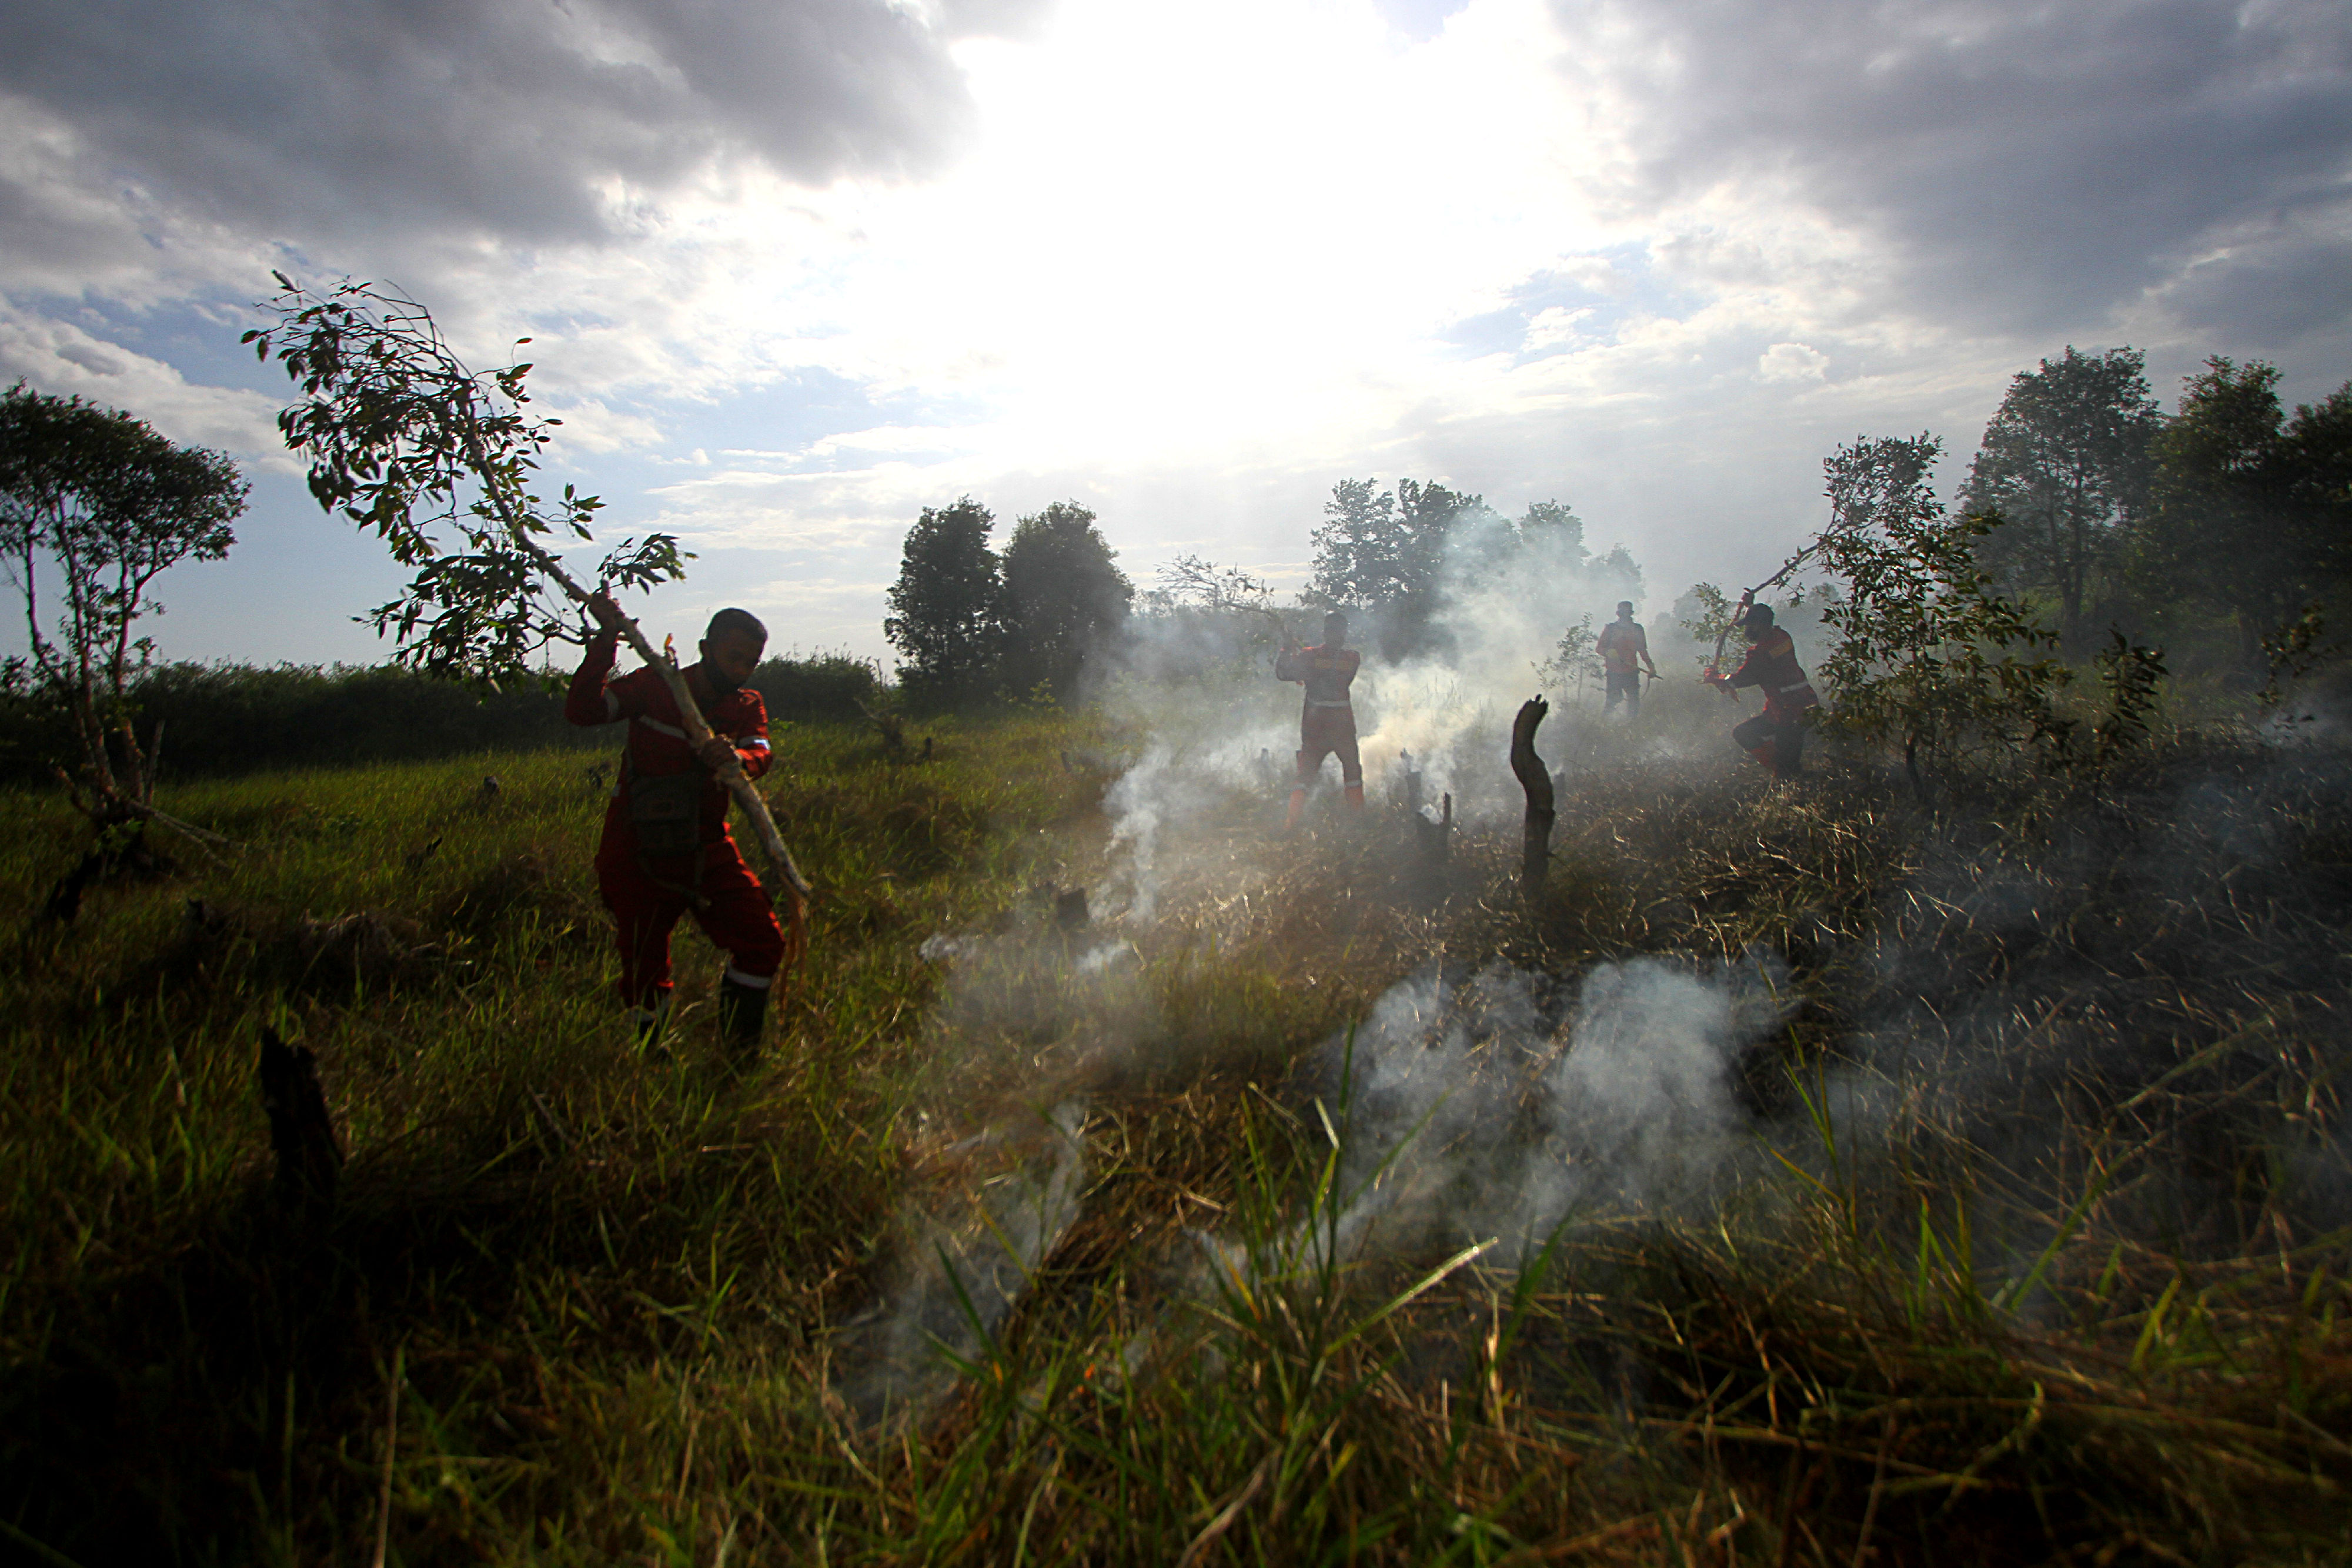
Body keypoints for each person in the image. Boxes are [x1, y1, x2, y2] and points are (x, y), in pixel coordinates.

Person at [567, 597, 790, 1051]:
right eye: (734, 657)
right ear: (706, 647)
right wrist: (607, 638)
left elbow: (761, 751)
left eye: (751, 662)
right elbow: (584, 711)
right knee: (645, 968)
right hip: (637, 850)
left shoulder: (748, 704)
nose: (742, 669)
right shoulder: (656, 686)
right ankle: (650, 1061)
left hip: (707, 847)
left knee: (762, 940)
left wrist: (738, 758)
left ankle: (737, 1055)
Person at [1705, 601, 1819, 777]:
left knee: (1788, 771)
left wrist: (1715, 678)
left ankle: (1785, 773)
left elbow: (1739, 680)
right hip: (1798, 706)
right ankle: (1781, 767)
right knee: (1745, 733)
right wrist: (1751, 605)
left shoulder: (1761, 654)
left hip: (1789, 713)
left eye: (1749, 625)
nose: (1747, 630)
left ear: (1758, 625)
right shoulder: (1782, 637)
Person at [1275, 609, 1364, 830]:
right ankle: (1360, 822)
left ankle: (1291, 825)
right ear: (1344, 633)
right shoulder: (1352, 658)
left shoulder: (1310, 656)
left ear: (1325, 633)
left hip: (1315, 727)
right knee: (1353, 773)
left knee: (1305, 776)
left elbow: (1284, 673)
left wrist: (1287, 647)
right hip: (1342, 727)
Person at [1596, 600, 1657, 718]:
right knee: (1612, 701)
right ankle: (1604, 725)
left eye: (1627, 612)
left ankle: (1631, 727)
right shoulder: (1610, 629)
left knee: (1634, 703)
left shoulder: (1637, 629)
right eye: (1622, 612)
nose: (1624, 615)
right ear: (1618, 614)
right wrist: (1609, 653)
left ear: (1631, 613)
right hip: (1614, 672)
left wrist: (1651, 667)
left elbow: (1642, 650)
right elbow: (1599, 648)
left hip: (1631, 672)